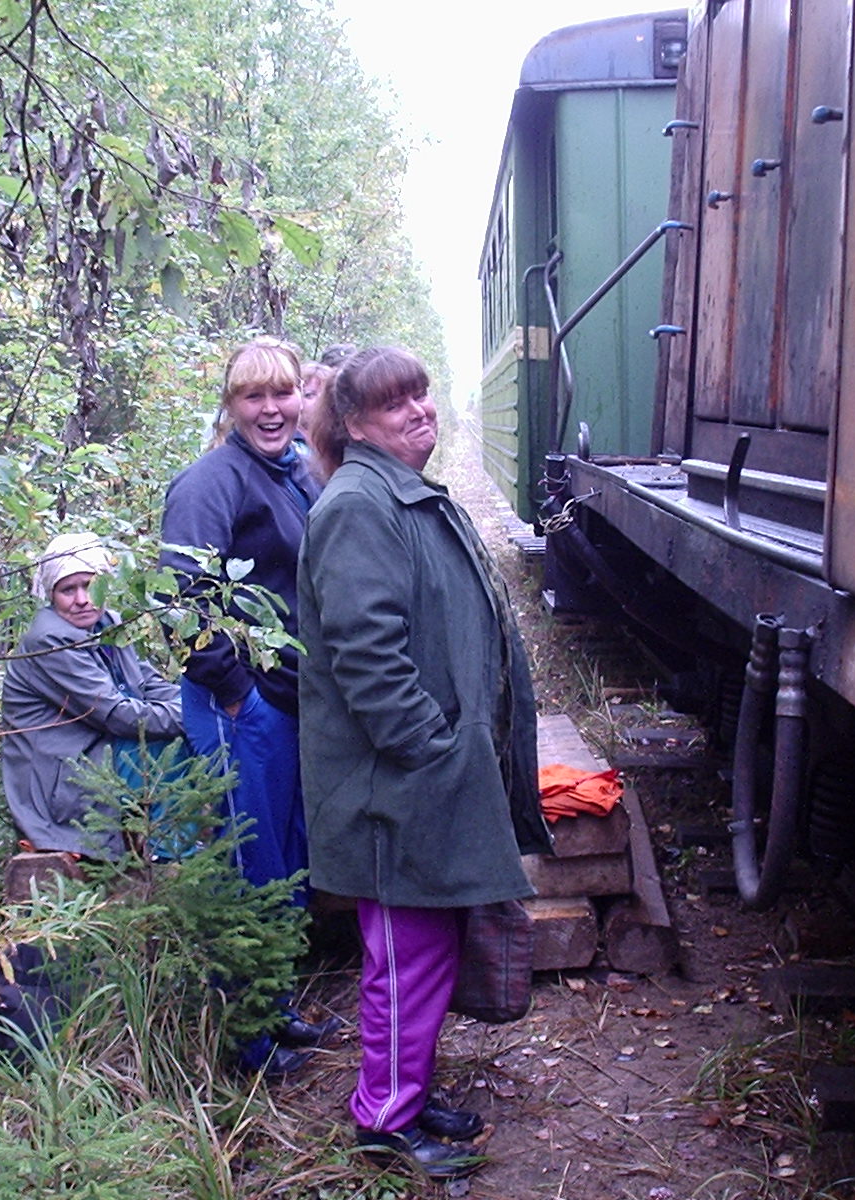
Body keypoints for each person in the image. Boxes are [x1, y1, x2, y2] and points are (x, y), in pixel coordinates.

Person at [298, 346, 552, 1180]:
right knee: (404, 959)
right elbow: (368, 658)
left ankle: (405, 1090)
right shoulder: (358, 506)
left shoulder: (397, 493)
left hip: (425, 775)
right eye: (393, 403)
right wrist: (430, 750)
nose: (419, 411)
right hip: (396, 784)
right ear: (354, 423)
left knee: (429, 949)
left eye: (421, 394)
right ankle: (384, 1122)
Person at [159, 336, 335, 1071]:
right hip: (239, 703)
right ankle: (247, 1044)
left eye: (282, 393)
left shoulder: (294, 471)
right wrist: (234, 694)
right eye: (252, 396)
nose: (270, 409)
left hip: (286, 698)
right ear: (230, 405)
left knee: (286, 863)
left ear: (302, 397)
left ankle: (275, 1006)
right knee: (249, 867)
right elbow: (180, 600)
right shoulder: (211, 482)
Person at [1, 532, 186, 860]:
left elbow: (147, 683)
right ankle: (170, 855)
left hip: (97, 753)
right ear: (51, 594)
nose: (82, 599)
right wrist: (193, 717)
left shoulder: (109, 624)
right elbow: (116, 715)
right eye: (68, 590)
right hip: (63, 777)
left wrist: (197, 705)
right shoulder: (50, 641)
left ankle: (192, 848)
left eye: (89, 585)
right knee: (167, 747)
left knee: (202, 736)